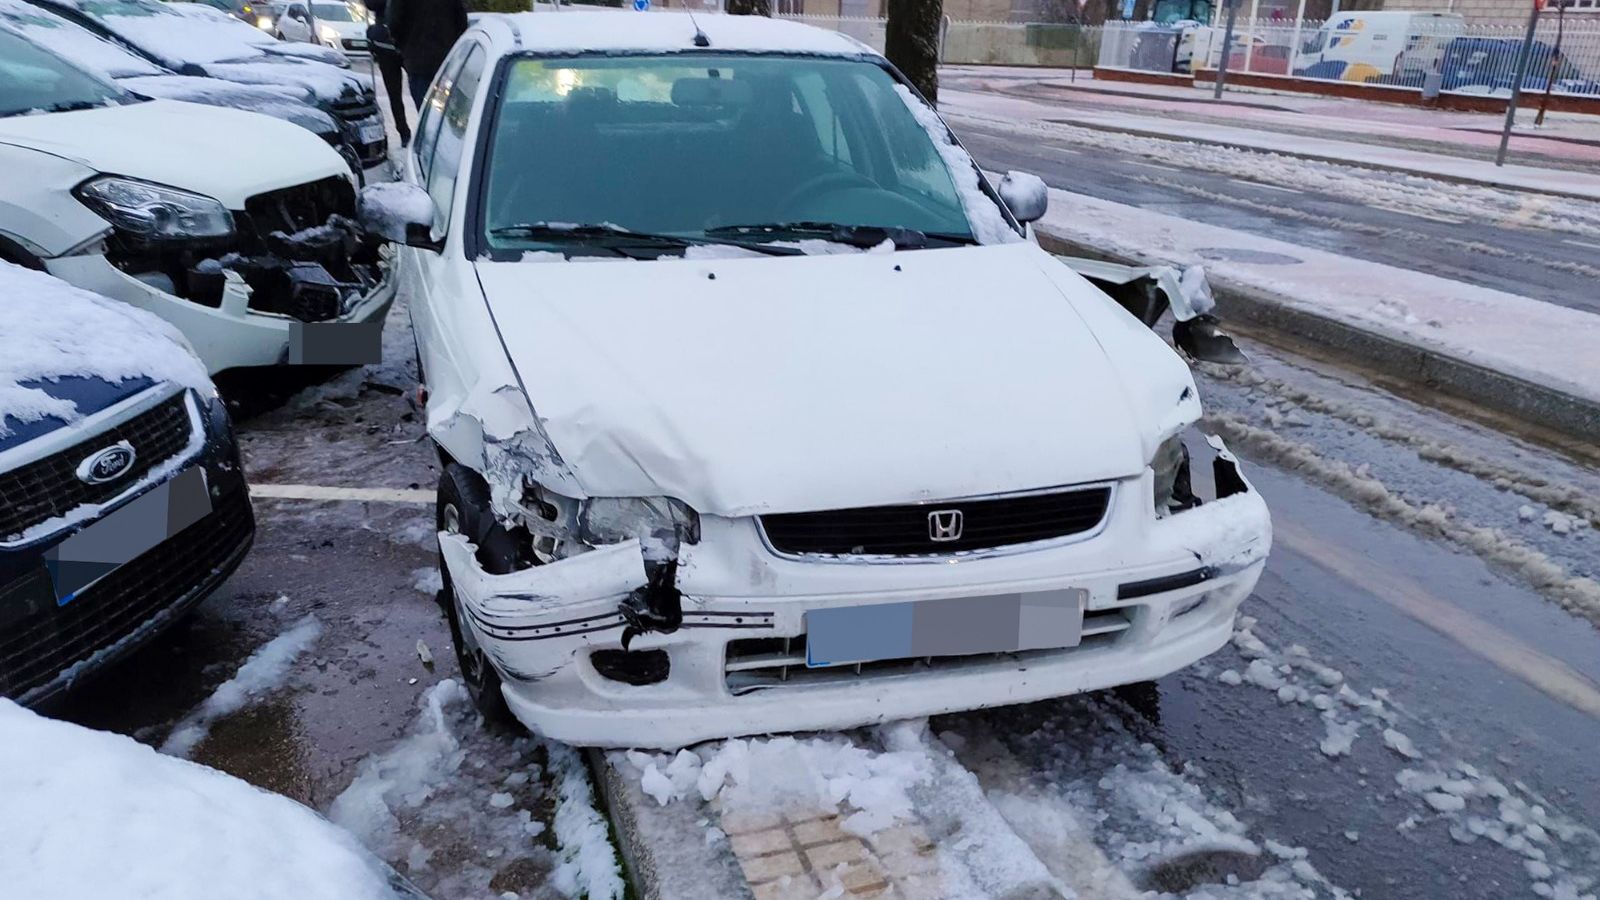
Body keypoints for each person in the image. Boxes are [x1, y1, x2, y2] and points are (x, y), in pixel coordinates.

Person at [386, 0, 469, 110]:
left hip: (417, 60)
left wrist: (403, 46)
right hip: (446, 59)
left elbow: (394, 22)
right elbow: (461, 21)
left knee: (425, 109)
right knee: (449, 110)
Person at [365, 0, 410, 146]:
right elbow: (371, 4)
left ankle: (423, 129)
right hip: (387, 44)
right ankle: (403, 132)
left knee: (420, 87)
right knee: (394, 94)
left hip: (405, 41)